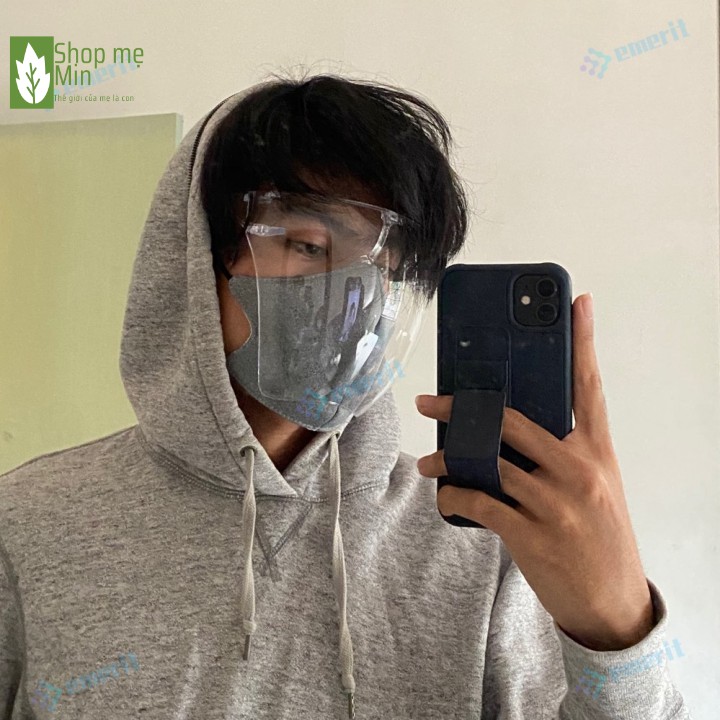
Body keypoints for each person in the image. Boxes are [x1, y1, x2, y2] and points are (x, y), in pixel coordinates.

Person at [0, 73, 691, 719]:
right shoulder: (30, 526)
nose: (354, 296)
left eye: (387, 268)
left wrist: (615, 626)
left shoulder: (481, 541)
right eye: (308, 245)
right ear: (197, 254)